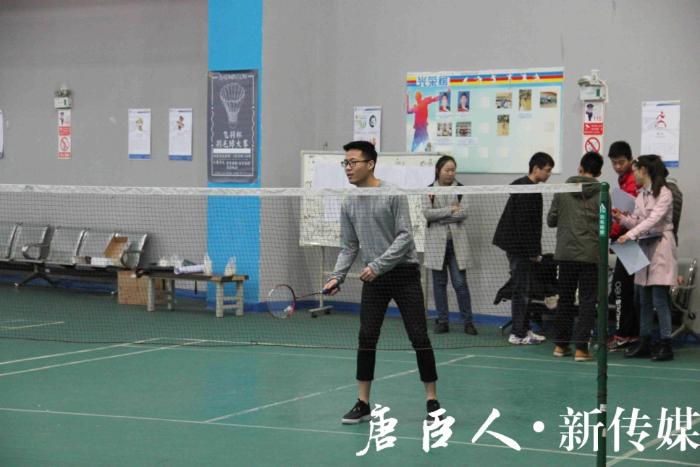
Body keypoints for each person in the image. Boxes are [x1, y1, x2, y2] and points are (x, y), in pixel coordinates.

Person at [324, 141, 441, 424]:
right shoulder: (349, 202)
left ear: (370, 164)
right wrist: (337, 276)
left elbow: (405, 237)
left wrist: (377, 265)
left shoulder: (392, 194)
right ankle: (363, 403)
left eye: (353, 162)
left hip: (403, 273)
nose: (348, 168)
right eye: (345, 163)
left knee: (419, 337)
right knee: (366, 337)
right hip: (374, 279)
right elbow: (349, 246)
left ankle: (432, 401)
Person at [614, 155, 677, 362]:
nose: (634, 175)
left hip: (661, 248)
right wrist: (623, 219)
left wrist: (629, 235)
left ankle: (666, 343)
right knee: (643, 298)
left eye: (636, 170)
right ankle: (644, 341)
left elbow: (653, 220)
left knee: (660, 299)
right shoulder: (641, 195)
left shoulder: (665, 193)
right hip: (644, 247)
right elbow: (638, 222)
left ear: (645, 170)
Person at [493, 152, 554, 345]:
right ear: (536, 168)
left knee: (526, 289)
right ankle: (517, 334)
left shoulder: (527, 187)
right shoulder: (526, 191)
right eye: (547, 170)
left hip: (520, 248)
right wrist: (533, 253)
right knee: (521, 290)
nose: (549, 174)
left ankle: (524, 329)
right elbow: (525, 226)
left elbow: (531, 225)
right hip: (518, 249)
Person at [548, 152, 604, 362]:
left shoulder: (563, 189)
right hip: (590, 255)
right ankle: (581, 349)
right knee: (588, 300)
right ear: (599, 172)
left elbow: (551, 220)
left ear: (580, 167)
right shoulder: (603, 192)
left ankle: (560, 346)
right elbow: (606, 225)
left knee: (565, 298)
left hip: (566, 254)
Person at [423, 155, 477, 335]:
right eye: (447, 170)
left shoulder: (461, 189)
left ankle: (468, 322)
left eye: (453, 170)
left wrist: (440, 216)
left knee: (460, 284)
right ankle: (442, 321)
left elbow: (463, 213)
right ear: (438, 170)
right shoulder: (429, 190)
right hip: (436, 246)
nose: (450, 173)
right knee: (439, 285)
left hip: (457, 245)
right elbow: (427, 214)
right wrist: (450, 210)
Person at [607, 141, 640, 351]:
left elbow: (626, 215)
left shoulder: (634, 180)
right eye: (614, 163)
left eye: (621, 162)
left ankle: (622, 335)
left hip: (632, 242)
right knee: (627, 290)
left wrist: (611, 235)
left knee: (621, 289)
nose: (618, 166)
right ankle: (631, 334)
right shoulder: (623, 181)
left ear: (630, 159)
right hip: (627, 241)